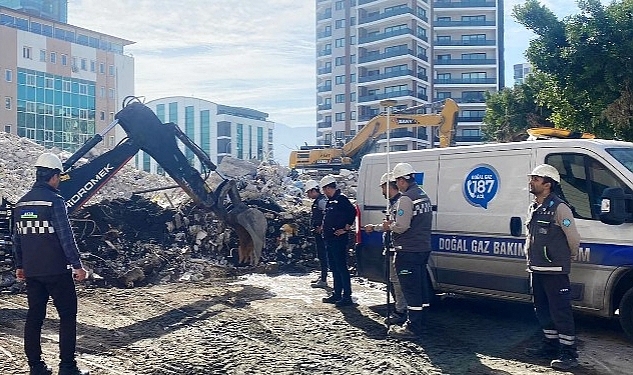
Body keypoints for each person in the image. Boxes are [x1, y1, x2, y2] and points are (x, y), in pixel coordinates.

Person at [13, 153, 90, 375]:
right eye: (59, 177)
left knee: (34, 316)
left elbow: (17, 238)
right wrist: (77, 265)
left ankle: (36, 367)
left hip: (33, 272)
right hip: (56, 271)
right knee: (67, 316)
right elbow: (65, 237)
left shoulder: (21, 204)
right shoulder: (54, 202)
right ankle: (67, 367)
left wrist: (20, 265)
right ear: (54, 176)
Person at [524, 164, 581, 370]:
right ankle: (550, 344)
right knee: (543, 310)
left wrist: (569, 256)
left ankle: (568, 353)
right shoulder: (534, 206)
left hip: (555, 270)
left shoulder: (560, 208)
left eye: (536, 179)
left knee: (560, 311)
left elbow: (572, 237)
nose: (531, 182)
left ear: (548, 184)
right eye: (532, 178)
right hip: (536, 269)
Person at [386, 163, 433, 339]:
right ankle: (422, 321)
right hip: (423, 248)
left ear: (401, 180)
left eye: (396, 181)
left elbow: (401, 226)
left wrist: (388, 226)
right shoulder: (423, 195)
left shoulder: (406, 198)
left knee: (411, 289)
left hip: (407, 250)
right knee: (420, 288)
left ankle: (413, 327)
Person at [364, 172, 407, 325]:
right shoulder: (393, 203)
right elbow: (388, 226)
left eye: (383, 188)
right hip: (390, 246)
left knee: (397, 281)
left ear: (388, 186)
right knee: (393, 280)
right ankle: (399, 308)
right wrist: (376, 228)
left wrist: (380, 227)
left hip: (397, 247)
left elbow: (396, 226)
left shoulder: (400, 202)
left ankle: (401, 310)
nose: (382, 192)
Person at [319, 175, 356, 307]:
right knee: (334, 267)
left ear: (329, 188)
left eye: (325, 190)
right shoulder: (331, 201)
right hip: (329, 238)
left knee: (341, 267)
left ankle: (347, 296)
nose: (324, 192)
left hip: (338, 239)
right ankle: (337, 293)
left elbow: (352, 212)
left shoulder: (341, 199)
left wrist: (346, 228)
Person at [304, 180, 329, 289]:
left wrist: (322, 227)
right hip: (318, 233)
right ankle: (322, 276)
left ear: (314, 190)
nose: (308, 196)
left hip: (322, 234)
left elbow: (328, 214)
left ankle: (323, 279)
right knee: (321, 255)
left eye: (309, 193)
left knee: (323, 255)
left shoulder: (321, 201)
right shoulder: (318, 201)